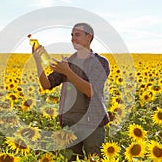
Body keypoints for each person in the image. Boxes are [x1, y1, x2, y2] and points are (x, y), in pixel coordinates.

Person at [32, 23, 110, 160]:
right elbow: (46, 84)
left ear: (89, 37)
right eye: (72, 35)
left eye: (77, 35)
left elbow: (91, 91)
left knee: (96, 158)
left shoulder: (100, 62)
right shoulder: (67, 62)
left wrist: (68, 71)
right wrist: (38, 62)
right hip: (69, 123)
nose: (73, 38)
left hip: (92, 124)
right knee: (71, 158)